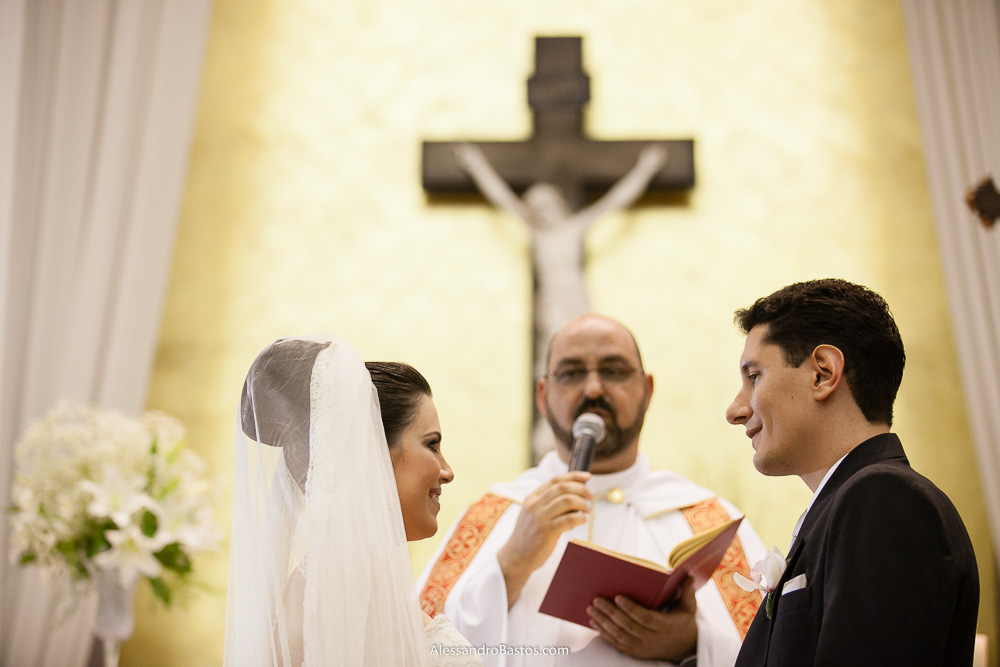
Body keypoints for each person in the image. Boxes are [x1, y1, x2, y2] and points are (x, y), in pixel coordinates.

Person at [417, 314, 766, 667]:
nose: (594, 389)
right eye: (571, 373)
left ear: (647, 391)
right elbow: (422, 644)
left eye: (614, 371)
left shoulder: (707, 520)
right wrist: (512, 565)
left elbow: (773, 649)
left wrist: (691, 643)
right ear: (543, 395)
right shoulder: (494, 515)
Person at [724, 279, 980, 666]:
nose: (735, 410)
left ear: (823, 373)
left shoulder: (885, 500)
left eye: (754, 376)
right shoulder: (851, 504)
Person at [224, 335, 483, 666]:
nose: (447, 472)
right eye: (431, 445)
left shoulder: (332, 585)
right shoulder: (345, 596)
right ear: (372, 453)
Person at [455, 144, 669, 461]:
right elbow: (502, 199)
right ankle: (549, 430)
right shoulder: (538, 234)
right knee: (553, 359)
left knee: (581, 353)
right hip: (551, 300)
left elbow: (615, 202)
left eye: (546, 207)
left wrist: (645, 170)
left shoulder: (574, 228)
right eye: (536, 210)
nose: (541, 214)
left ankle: (585, 424)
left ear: (557, 206)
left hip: (574, 295)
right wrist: (476, 167)